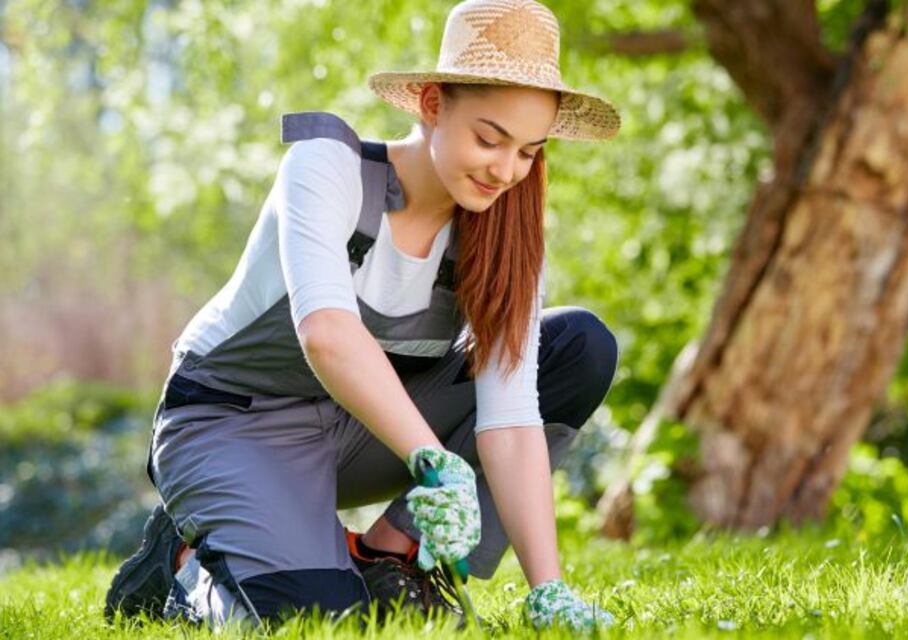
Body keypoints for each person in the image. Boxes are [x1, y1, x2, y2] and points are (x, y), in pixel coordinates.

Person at [103, 0, 621, 631]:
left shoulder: (506, 238)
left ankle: (388, 556)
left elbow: (510, 420)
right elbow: (327, 334)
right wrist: (435, 462)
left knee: (578, 347)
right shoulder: (329, 167)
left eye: (528, 152)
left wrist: (549, 588)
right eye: (490, 139)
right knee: (326, 622)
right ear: (432, 105)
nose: (506, 171)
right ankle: (185, 571)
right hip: (231, 424)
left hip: (356, 433)